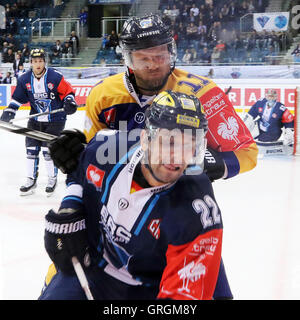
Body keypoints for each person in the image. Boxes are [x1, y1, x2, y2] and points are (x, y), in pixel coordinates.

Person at [47, 14, 258, 299]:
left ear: (171, 52)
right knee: (59, 278)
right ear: (127, 59)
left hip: (179, 216)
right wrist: (73, 161)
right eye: (142, 57)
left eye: (160, 55)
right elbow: (87, 167)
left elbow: (246, 151)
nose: (153, 64)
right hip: (114, 217)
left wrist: (210, 163)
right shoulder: (104, 95)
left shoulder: (203, 94)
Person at [40, 90, 224, 300]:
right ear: (146, 139)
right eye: (169, 143)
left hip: (148, 290)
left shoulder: (197, 208)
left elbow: (182, 297)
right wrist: (70, 206)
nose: (177, 157)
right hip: (92, 269)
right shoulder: (108, 148)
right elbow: (79, 171)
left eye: (189, 146)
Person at [0, 48, 78, 196]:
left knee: (47, 150)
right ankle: (30, 179)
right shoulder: (24, 79)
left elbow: (68, 92)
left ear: (44, 62)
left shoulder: (54, 77)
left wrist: (69, 101)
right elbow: (17, 99)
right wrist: (10, 111)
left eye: (40, 61)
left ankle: (51, 178)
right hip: (35, 119)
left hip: (56, 120)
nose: (38, 64)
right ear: (31, 63)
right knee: (31, 149)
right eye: (35, 61)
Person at [243, 89, 294, 155]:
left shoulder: (281, 108)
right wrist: (243, 129)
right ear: (266, 96)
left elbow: (289, 122)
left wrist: (289, 134)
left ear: (276, 97)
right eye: (269, 96)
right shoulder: (260, 103)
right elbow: (250, 115)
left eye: (273, 96)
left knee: (261, 141)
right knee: (250, 122)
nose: (271, 98)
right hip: (259, 128)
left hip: (273, 132)